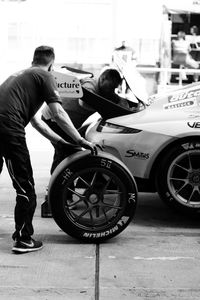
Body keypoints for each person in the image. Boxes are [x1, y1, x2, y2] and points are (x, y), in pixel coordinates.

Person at [0, 45, 97, 254]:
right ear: (52, 63)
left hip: (3, 127)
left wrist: (61, 142)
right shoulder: (45, 76)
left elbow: (37, 123)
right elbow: (58, 113)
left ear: (33, 59)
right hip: (9, 129)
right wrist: (80, 139)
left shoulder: (21, 76)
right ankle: (24, 240)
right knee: (25, 187)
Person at [42, 68, 131, 174]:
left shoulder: (104, 91)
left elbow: (118, 101)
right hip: (53, 118)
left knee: (63, 151)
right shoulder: (90, 84)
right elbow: (83, 103)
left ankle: (58, 183)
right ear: (103, 79)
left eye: (115, 88)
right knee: (69, 150)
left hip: (62, 121)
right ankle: (60, 184)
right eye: (111, 87)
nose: (112, 90)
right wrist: (103, 107)